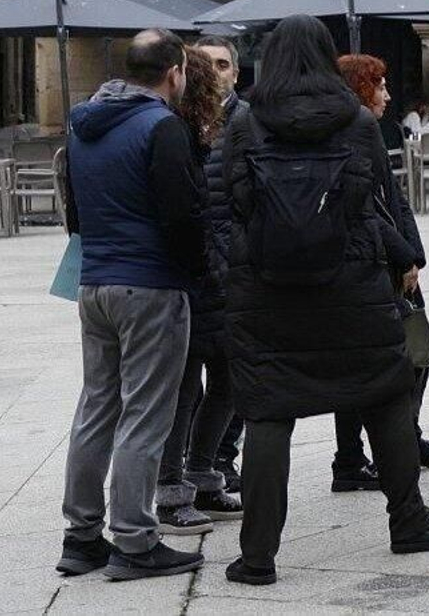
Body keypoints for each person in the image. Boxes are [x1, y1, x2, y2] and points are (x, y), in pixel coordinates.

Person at [222, 16, 429, 587]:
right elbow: (368, 202)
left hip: (268, 292)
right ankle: (408, 521)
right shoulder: (359, 122)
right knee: (384, 396)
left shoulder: (244, 121)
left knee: (268, 413)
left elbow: (232, 201)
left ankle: (258, 555)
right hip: (352, 289)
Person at [57, 28, 207, 581]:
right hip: (150, 284)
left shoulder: (83, 124)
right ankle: (136, 542)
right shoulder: (161, 126)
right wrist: (195, 273)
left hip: (94, 283)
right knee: (146, 413)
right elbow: (181, 216)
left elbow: (73, 210)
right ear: (175, 72)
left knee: (97, 406)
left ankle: (81, 537)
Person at [334, 54, 429, 491]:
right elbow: (372, 206)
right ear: (361, 88)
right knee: (411, 354)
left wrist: (414, 253)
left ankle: (361, 455)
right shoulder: (358, 127)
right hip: (377, 261)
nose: (387, 93)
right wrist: (404, 257)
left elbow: (393, 200)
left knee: (376, 360)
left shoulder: (363, 127)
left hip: (385, 256)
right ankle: (390, 446)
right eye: (379, 85)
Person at [155, 47, 243, 537]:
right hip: (195, 275)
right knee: (186, 385)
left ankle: (202, 474)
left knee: (229, 378)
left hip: (222, 273)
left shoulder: (231, 127)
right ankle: (170, 490)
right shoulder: (171, 133)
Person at [197, 37, 248, 496]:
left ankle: (222, 456)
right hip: (192, 266)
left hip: (235, 262)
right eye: (205, 64)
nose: (215, 72)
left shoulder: (247, 120)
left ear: (236, 71)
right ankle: (200, 461)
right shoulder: (177, 121)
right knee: (192, 377)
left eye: (223, 64)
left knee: (232, 369)